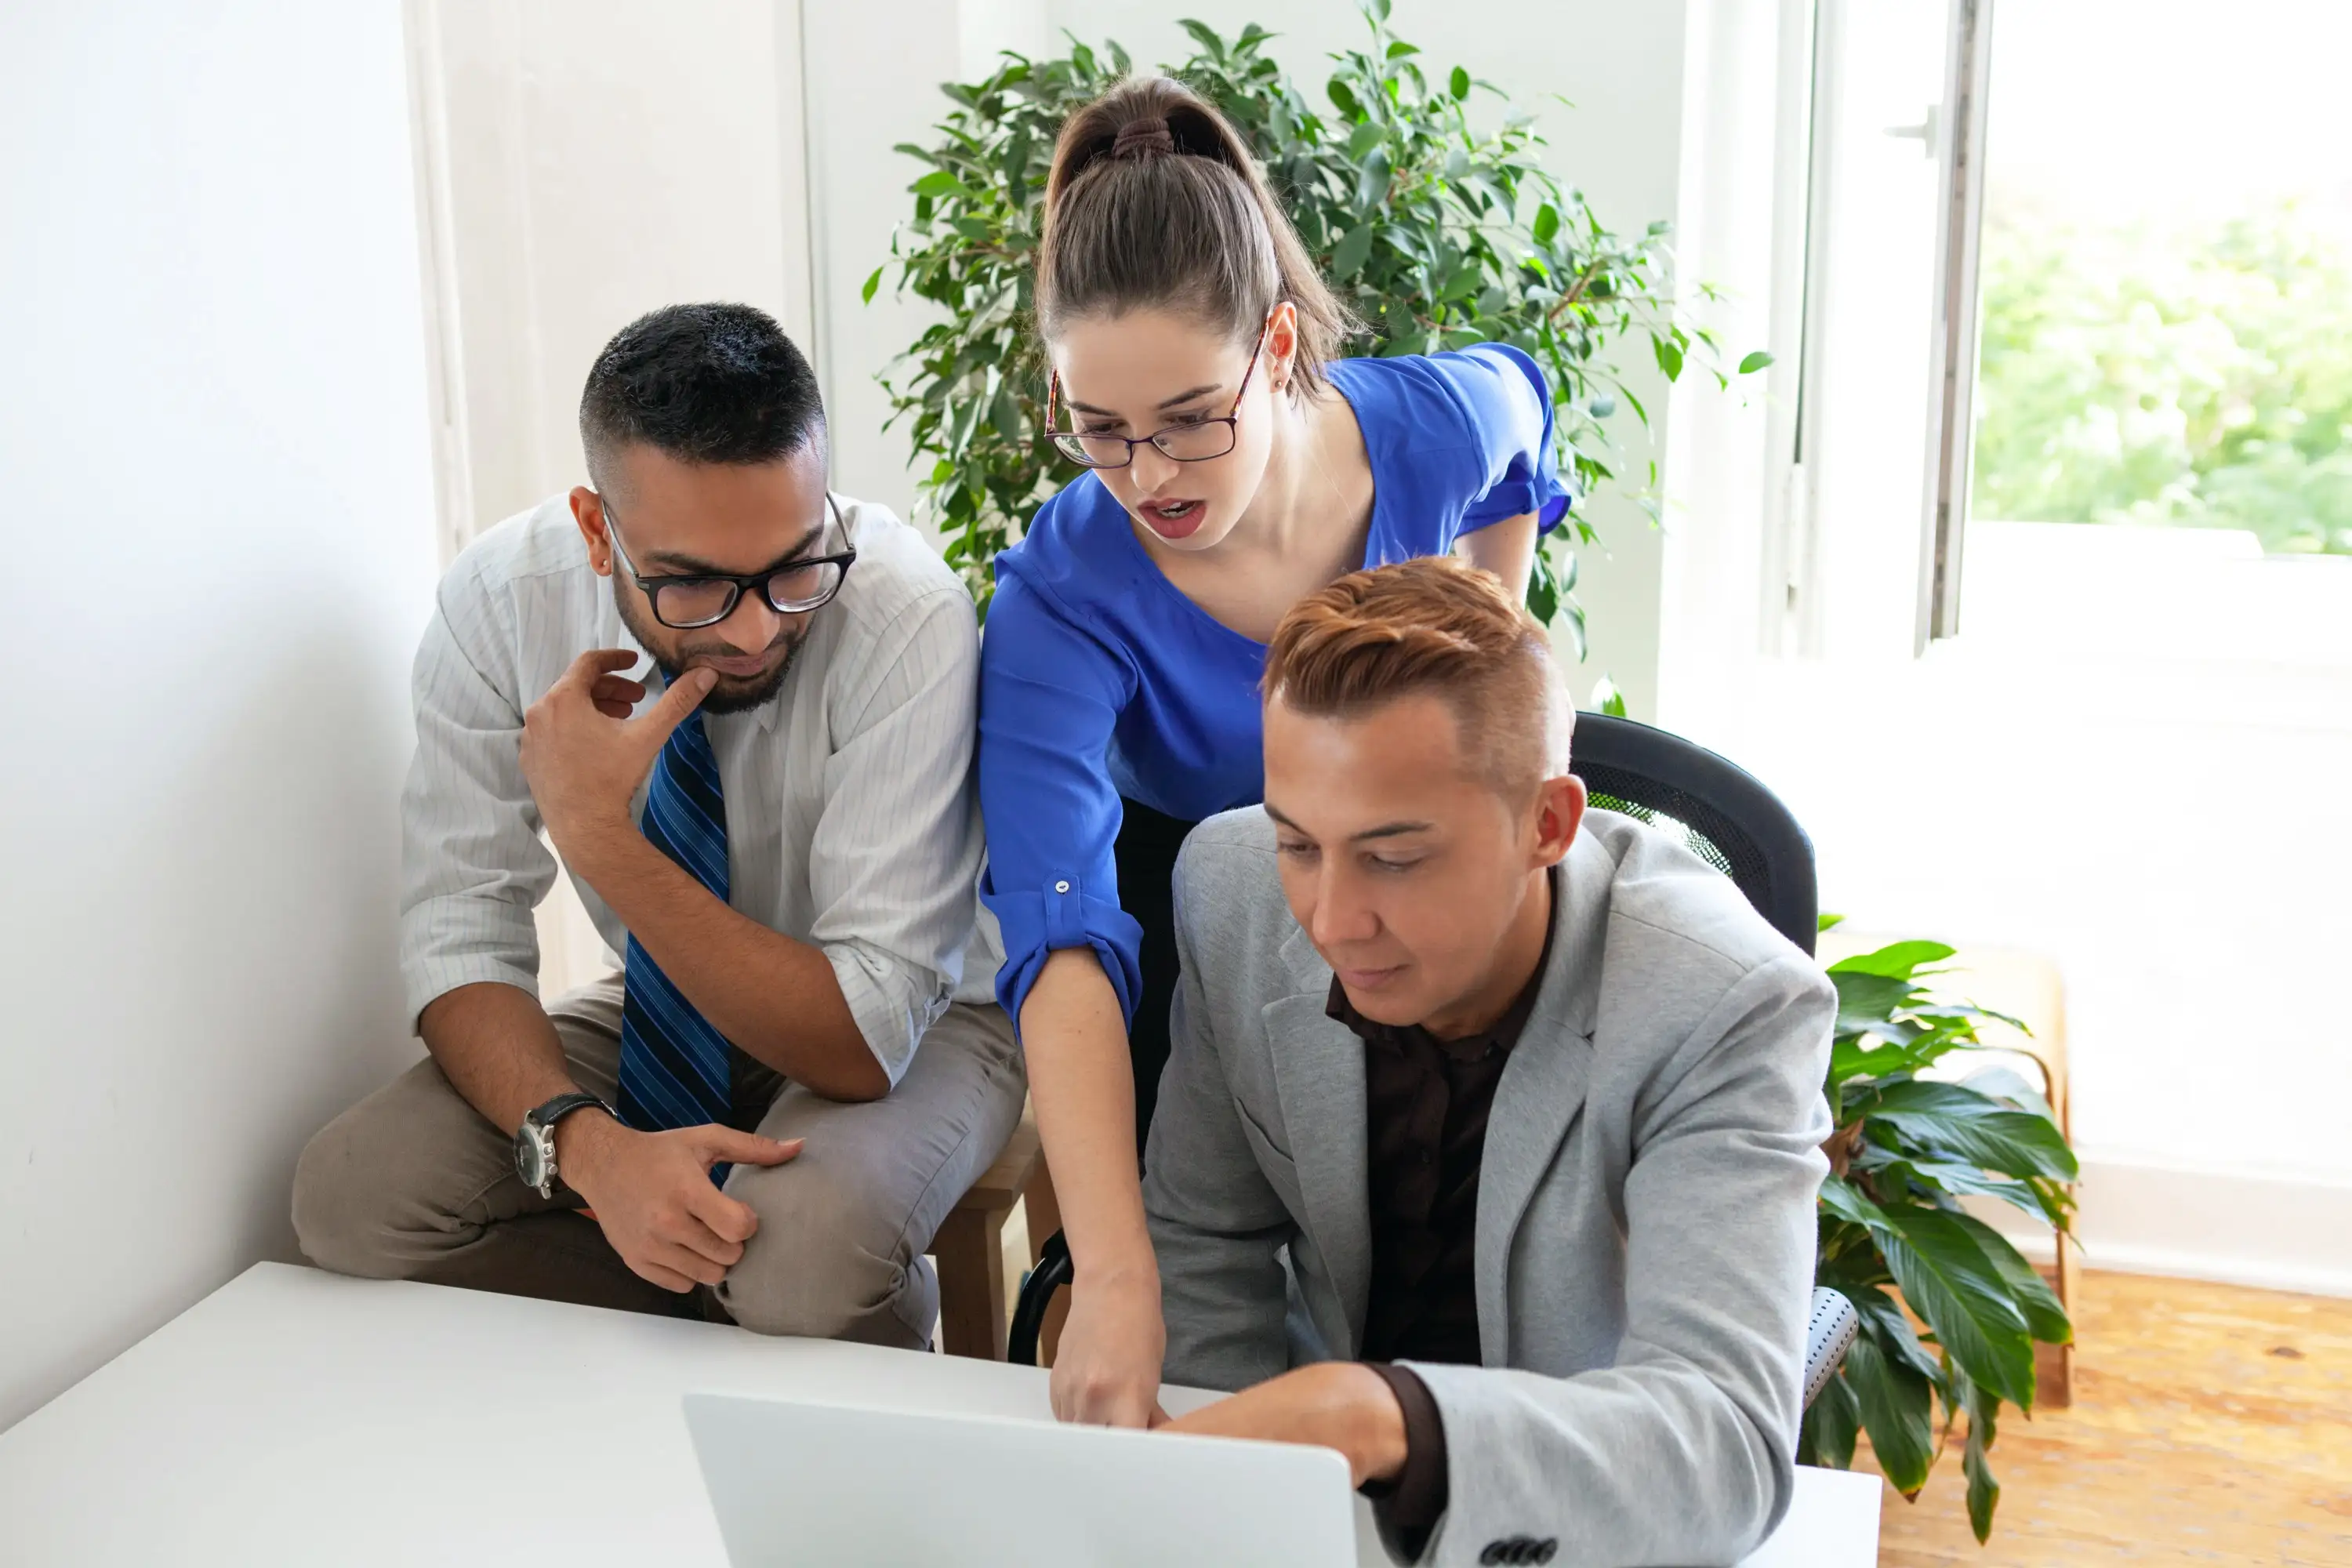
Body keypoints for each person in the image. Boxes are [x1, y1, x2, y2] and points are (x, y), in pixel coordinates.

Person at [978, 74, 1576, 1425]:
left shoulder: (1429, 429)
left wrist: (1484, 648)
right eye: (1101, 430)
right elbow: (1060, 931)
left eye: (1193, 415)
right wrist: (1121, 1279)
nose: (1152, 476)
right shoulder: (1062, 594)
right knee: (1187, 1297)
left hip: (1401, 865)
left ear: (1278, 344)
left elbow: (1526, 422)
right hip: (1174, 904)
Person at [293, 303, 1025, 1348]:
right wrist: (587, 1149)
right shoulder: (500, 606)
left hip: (930, 1016)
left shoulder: (903, 614)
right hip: (672, 1000)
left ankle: (823, 1345)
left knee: (803, 1256)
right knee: (354, 1196)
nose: (755, 627)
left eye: (793, 564)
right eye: (691, 584)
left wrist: (597, 837)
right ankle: (717, 1335)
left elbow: (865, 1041)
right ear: (599, 530)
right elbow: (459, 927)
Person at [1145, 557, 1835, 1567]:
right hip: (1316, 1493)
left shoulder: (1726, 1001)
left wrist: (1380, 1417)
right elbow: (1205, 1236)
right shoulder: (1231, 885)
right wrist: (1246, 1512)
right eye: (1299, 844)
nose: (1331, 921)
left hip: (1579, 1503)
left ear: (1547, 825)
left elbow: (1722, 1444)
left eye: (1394, 857)